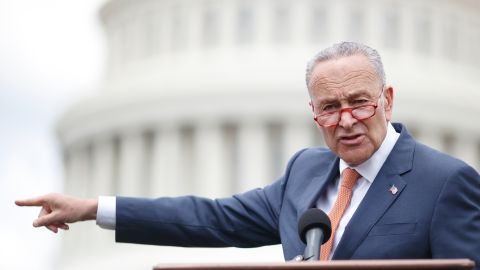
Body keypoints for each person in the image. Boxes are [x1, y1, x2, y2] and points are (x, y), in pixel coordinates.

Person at [16, 42, 480, 266]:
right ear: (313, 113)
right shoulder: (306, 173)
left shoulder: (445, 182)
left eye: (359, 102)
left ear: (387, 100)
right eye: (329, 109)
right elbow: (210, 218)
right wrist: (95, 208)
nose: (346, 120)